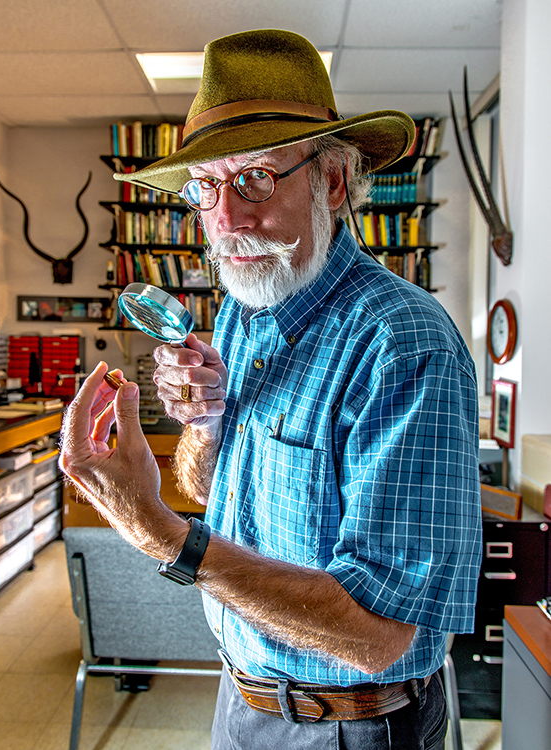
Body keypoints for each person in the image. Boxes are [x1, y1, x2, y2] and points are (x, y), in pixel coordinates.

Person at [60, 29, 482, 750]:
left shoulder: (402, 342)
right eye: (206, 188)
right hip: (242, 695)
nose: (226, 220)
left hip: (354, 724)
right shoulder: (241, 313)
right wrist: (205, 421)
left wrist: (160, 533)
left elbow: (377, 635)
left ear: (335, 181)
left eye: (255, 178)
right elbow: (207, 486)